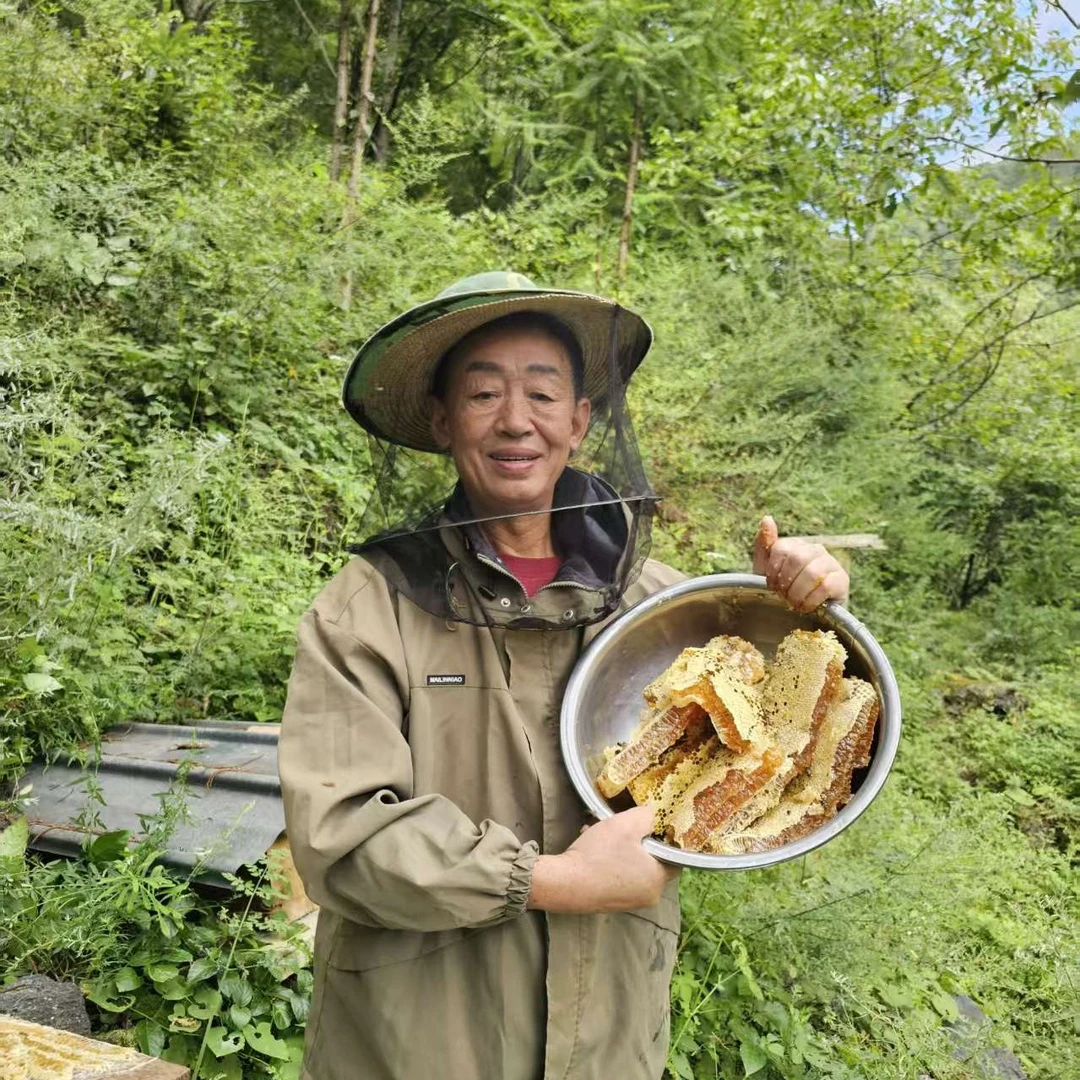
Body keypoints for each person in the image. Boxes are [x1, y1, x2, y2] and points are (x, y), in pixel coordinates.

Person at [279, 272, 849, 1080]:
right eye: (483, 394)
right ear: (443, 421)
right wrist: (559, 881)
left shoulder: (664, 607)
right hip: (412, 1043)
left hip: (609, 1038)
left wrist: (809, 610)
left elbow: (795, 754)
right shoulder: (368, 609)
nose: (516, 420)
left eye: (543, 395)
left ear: (580, 422)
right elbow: (342, 838)